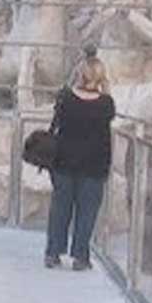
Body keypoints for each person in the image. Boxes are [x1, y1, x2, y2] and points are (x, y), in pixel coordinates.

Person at [45, 55, 116, 270]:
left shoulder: (65, 98)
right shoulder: (106, 104)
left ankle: (53, 253)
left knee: (60, 209)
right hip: (94, 165)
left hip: (64, 161)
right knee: (87, 211)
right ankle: (80, 256)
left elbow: (56, 122)